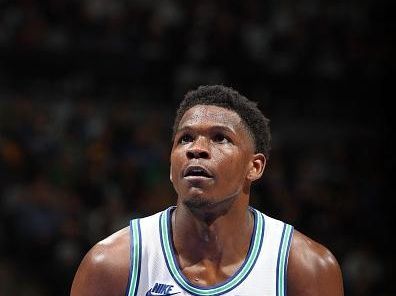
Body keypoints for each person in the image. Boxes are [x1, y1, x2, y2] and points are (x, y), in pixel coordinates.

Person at [71, 85, 344, 296]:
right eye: (185, 138)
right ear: (170, 165)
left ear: (255, 166)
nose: (196, 148)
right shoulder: (112, 265)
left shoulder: (304, 268)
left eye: (220, 138)